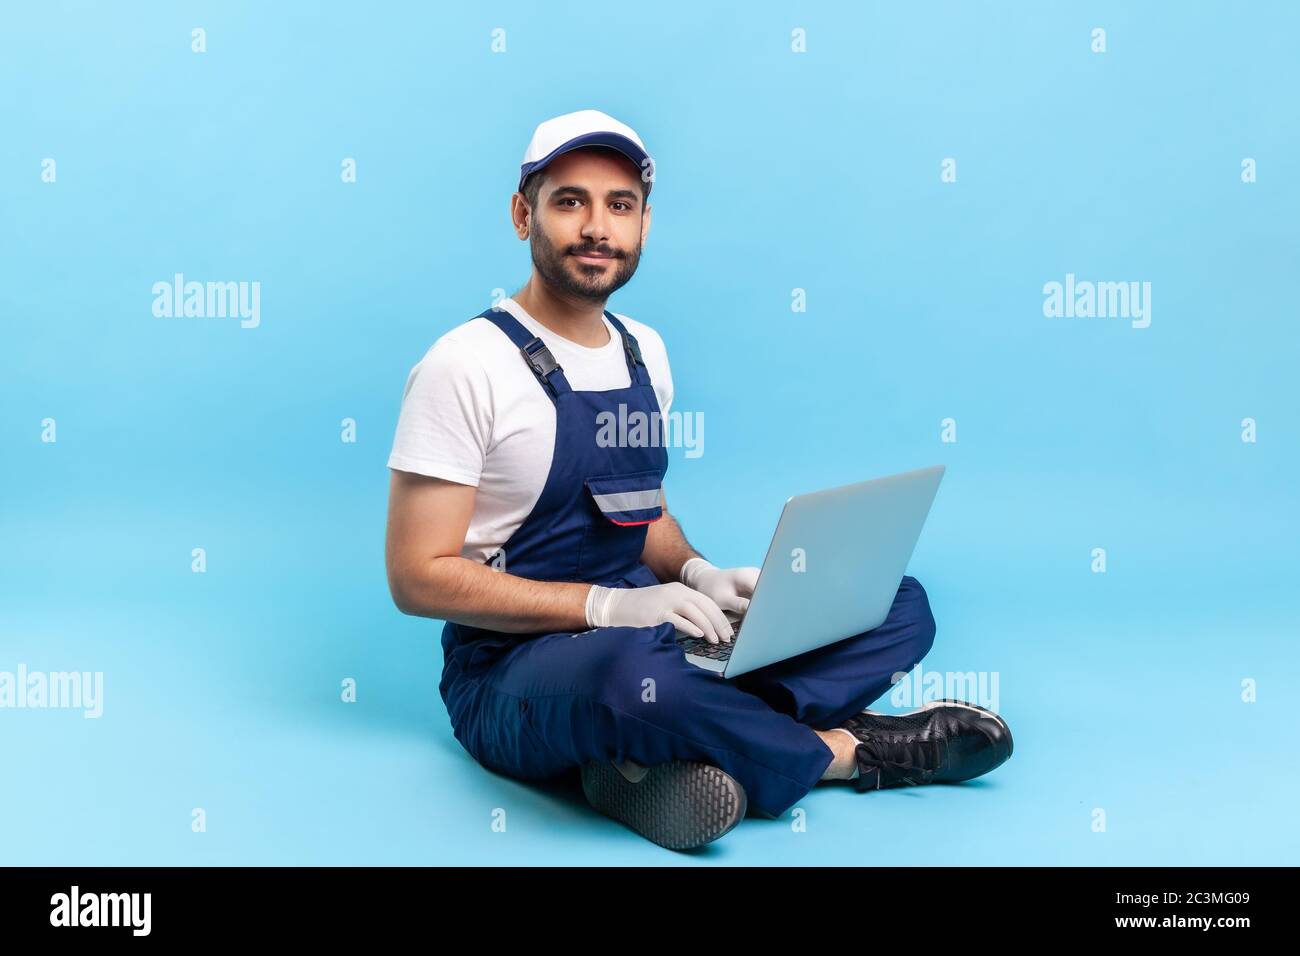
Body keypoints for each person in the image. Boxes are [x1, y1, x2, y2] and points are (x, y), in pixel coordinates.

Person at [384, 109, 1013, 850]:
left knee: (896, 602)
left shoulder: (643, 353)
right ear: (525, 215)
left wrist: (700, 573)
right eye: (569, 201)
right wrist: (607, 610)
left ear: (644, 225)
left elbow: (636, 509)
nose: (596, 227)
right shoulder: (464, 365)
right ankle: (848, 753)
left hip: (655, 638)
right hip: (513, 670)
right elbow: (417, 579)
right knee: (625, 680)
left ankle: (654, 754)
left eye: (619, 205)